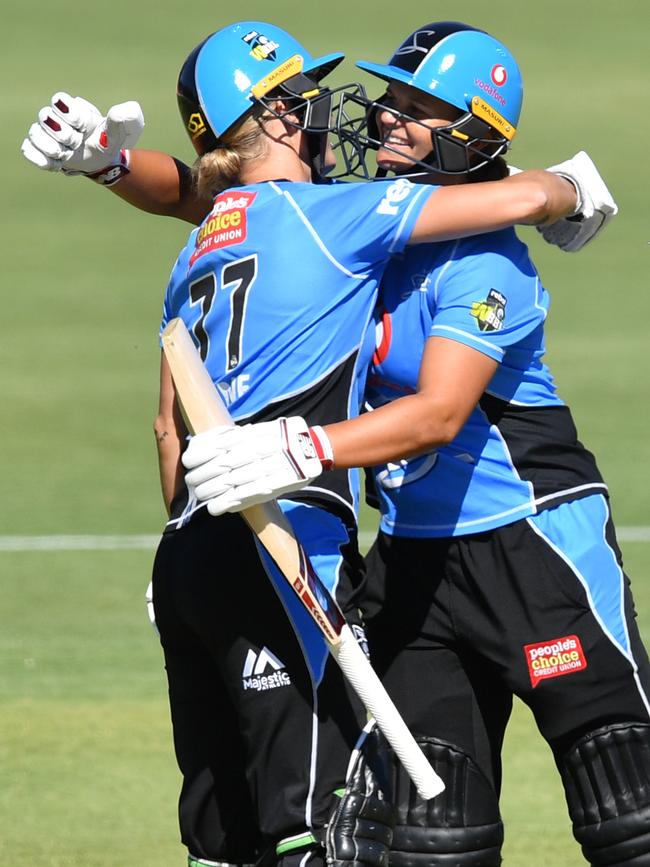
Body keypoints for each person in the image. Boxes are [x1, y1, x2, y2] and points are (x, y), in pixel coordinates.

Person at [20, 19, 584, 867]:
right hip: (286, 553)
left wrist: (110, 163)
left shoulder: (192, 255)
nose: (330, 115)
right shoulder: (337, 215)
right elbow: (516, 200)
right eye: (310, 98)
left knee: (226, 839)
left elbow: (169, 426)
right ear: (278, 114)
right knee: (331, 829)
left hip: (188, 555)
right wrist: (572, 189)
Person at [173, 23, 648, 867]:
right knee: (432, 838)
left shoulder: (486, 262)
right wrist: (105, 165)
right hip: (413, 567)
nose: (386, 116)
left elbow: (438, 414)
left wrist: (301, 451)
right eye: (390, 98)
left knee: (628, 810)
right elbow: (226, 198)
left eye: (415, 106)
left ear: (468, 129)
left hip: (534, 544)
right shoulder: (358, 225)